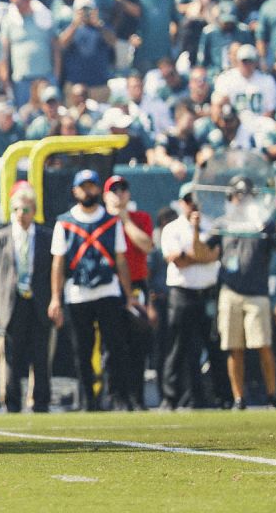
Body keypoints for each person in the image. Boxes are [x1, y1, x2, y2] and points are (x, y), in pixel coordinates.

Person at [48, 170, 133, 411]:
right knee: (82, 350)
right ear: (75, 191)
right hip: (77, 293)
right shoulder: (64, 222)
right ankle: (89, 399)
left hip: (108, 291)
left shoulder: (111, 221)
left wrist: (128, 296)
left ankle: (117, 397)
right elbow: (58, 263)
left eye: (92, 186)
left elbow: (121, 260)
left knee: (115, 347)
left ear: (98, 190)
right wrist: (56, 298)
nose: (88, 191)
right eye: (83, 187)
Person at [0, 187, 54, 413]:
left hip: (38, 302)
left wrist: (55, 301)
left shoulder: (46, 237)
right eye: (16, 209)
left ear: (33, 210)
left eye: (25, 209)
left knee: (41, 355)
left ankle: (41, 401)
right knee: (11, 357)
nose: (20, 214)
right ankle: (12, 403)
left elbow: (54, 272)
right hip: (10, 304)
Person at [160, 182, 223, 410]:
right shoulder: (172, 229)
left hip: (207, 293)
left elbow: (212, 255)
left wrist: (193, 253)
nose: (192, 205)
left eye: (196, 200)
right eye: (188, 200)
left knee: (213, 345)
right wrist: (199, 253)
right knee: (179, 347)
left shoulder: (212, 226)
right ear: (181, 203)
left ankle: (219, 396)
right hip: (182, 293)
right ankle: (171, 397)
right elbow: (177, 259)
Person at [217, 179, 276, 409]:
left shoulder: (263, 222)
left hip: (257, 291)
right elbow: (207, 252)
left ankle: (272, 396)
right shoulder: (223, 223)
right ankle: (238, 398)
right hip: (230, 290)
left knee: (263, 345)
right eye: (237, 194)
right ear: (230, 197)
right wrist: (194, 230)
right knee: (234, 347)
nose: (241, 199)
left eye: (245, 194)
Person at [103, 175, 156, 410]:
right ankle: (117, 397)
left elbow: (147, 245)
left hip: (136, 284)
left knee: (138, 343)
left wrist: (124, 220)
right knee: (114, 346)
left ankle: (137, 397)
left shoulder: (140, 218)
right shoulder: (100, 221)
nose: (119, 193)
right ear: (105, 196)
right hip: (109, 286)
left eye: (123, 189)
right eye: (114, 190)